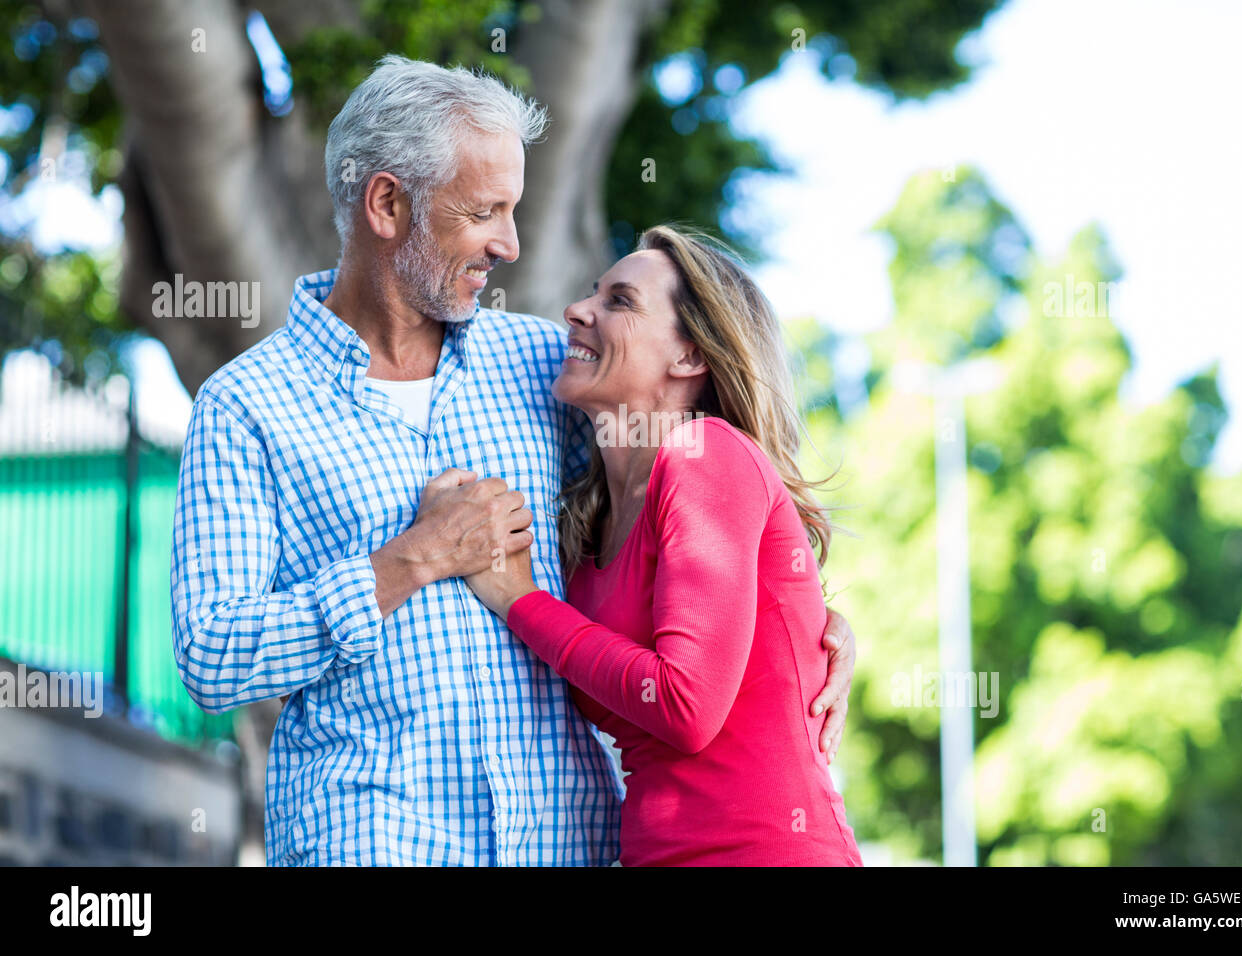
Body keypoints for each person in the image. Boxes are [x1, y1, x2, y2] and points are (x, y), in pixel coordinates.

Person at [169, 56, 858, 866]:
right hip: (374, 841)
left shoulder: (545, 368)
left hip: (574, 844)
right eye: (485, 210)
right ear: (387, 203)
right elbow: (213, 657)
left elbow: (686, 528)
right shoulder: (245, 406)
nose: (510, 242)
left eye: (516, 209)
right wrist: (408, 561)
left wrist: (811, 628)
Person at [465, 225, 864, 866]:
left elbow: (685, 705)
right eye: (592, 293)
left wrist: (517, 599)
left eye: (619, 301)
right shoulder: (593, 528)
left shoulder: (706, 455)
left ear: (688, 357)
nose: (578, 310)